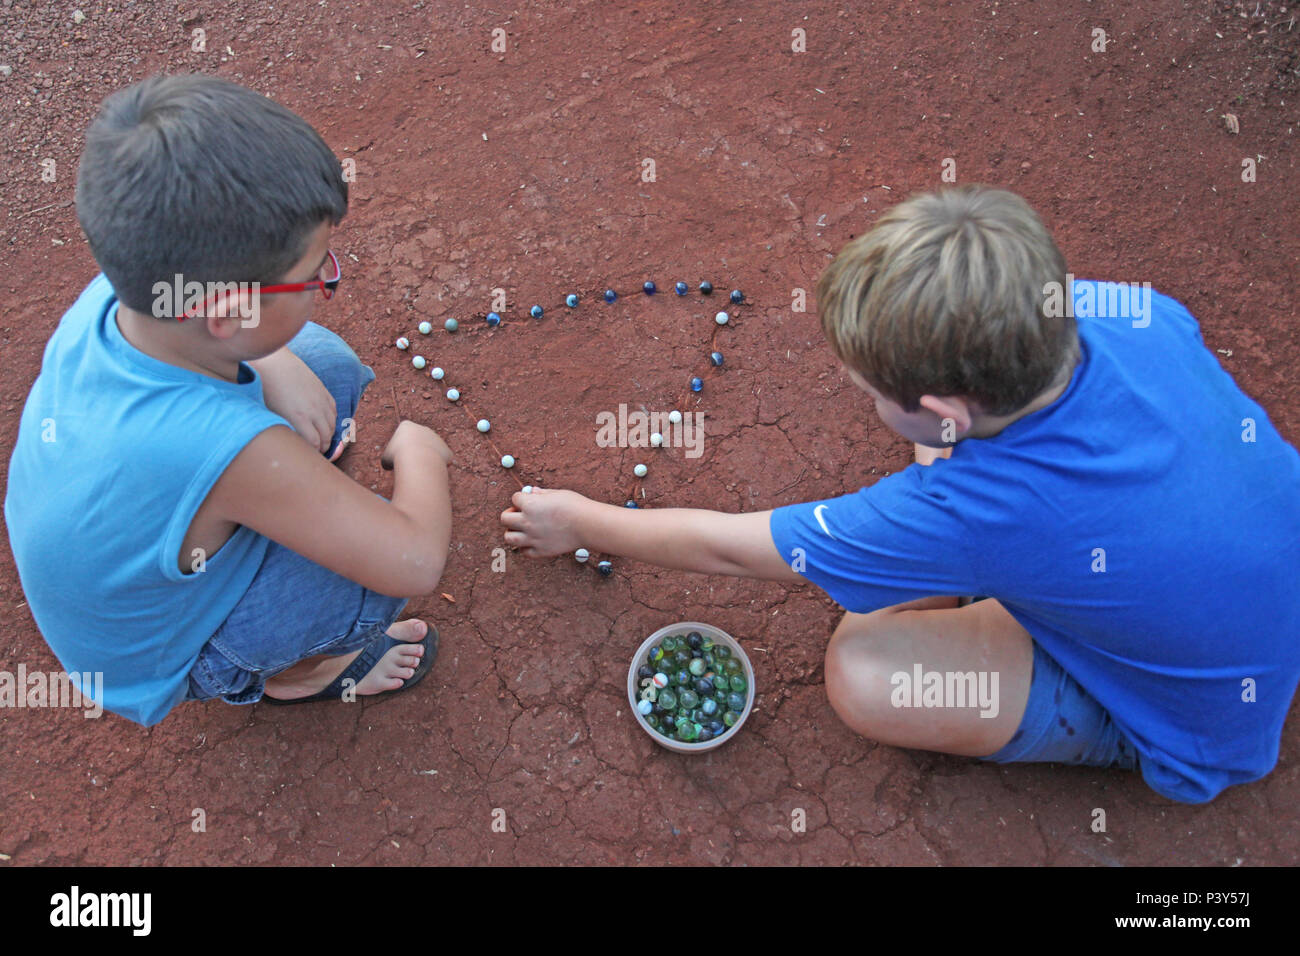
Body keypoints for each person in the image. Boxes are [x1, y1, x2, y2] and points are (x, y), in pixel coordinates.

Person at [501, 185, 1300, 804]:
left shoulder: (976, 510)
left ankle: (1120, 725)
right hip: (1253, 602)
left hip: (1193, 726)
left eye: (872, 388)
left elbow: (726, 546)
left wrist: (580, 521)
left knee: (866, 670)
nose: (865, 398)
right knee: (995, 528)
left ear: (948, 410)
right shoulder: (1130, 313)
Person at [5, 74, 453, 726]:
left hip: (129, 564)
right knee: (357, 584)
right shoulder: (220, 447)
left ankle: (274, 542)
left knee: (320, 365)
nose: (327, 280)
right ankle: (302, 673)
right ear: (225, 311)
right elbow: (414, 562)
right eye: (314, 274)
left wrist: (270, 357)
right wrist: (421, 452)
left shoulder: (117, 294)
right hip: (159, 652)